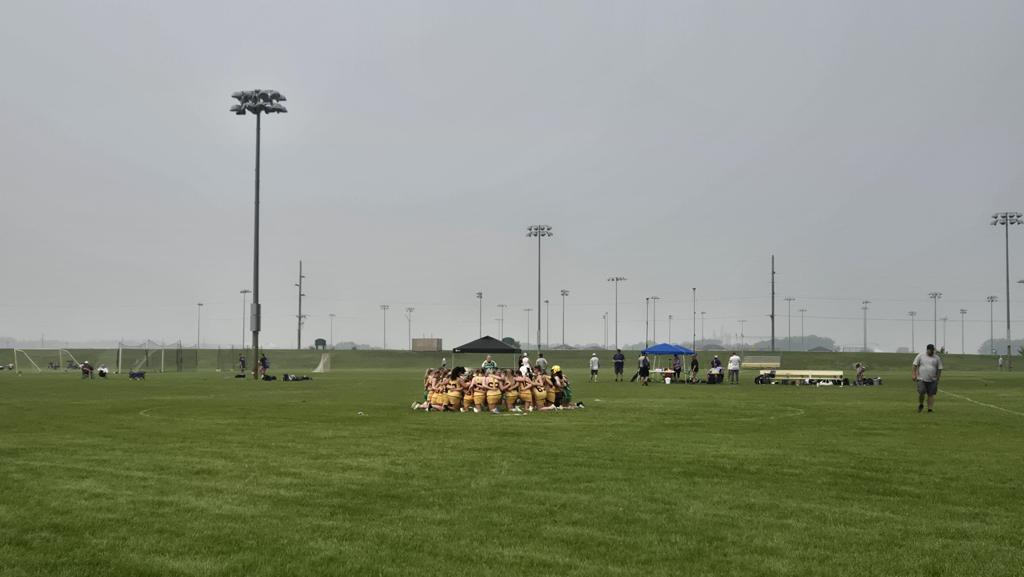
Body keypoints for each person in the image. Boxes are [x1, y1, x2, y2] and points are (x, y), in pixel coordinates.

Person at [913, 344, 943, 413]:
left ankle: (930, 409)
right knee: (921, 392)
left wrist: (937, 378)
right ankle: (921, 404)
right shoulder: (920, 355)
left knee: (931, 394)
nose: (932, 352)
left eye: (933, 350)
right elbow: (914, 365)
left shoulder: (937, 358)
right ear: (927, 350)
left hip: (933, 380)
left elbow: (940, 368)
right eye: (931, 350)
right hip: (921, 379)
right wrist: (913, 375)